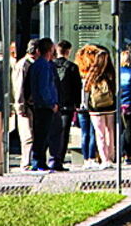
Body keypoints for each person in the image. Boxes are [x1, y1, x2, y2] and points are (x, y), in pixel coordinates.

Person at [27, 37, 59, 172]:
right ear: (50, 50)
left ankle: (38, 161)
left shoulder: (35, 65)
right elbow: (44, 87)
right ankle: (39, 162)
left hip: (38, 105)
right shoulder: (45, 66)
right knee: (43, 135)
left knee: (39, 134)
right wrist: (51, 103)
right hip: (45, 106)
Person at [51, 39, 80, 171]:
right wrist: (77, 103)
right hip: (67, 105)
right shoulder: (72, 67)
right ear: (68, 51)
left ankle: (51, 157)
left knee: (52, 132)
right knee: (64, 132)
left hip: (52, 104)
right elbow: (76, 88)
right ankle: (59, 160)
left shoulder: (51, 65)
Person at [85, 47, 117, 168]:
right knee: (110, 131)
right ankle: (111, 157)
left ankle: (104, 159)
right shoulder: (111, 73)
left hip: (95, 107)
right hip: (109, 105)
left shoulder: (93, 72)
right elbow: (115, 89)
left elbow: (86, 89)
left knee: (100, 133)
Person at [11, 38, 39, 170]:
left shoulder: (30, 64)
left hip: (31, 104)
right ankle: (26, 162)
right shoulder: (23, 65)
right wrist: (20, 105)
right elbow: (19, 86)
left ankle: (31, 161)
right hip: (26, 105)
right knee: (27, 135)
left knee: (32, 134)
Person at [74, 45, 99, 168]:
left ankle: (85, 159)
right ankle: (92, 157)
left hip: (81, 106)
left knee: (85, 133)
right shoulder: (94, 74)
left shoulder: (78, 72)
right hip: (93, 105)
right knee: (93, 132)